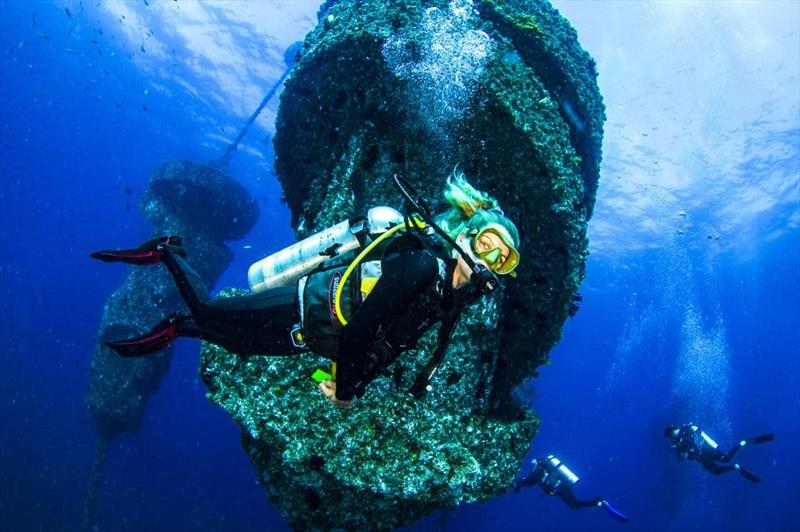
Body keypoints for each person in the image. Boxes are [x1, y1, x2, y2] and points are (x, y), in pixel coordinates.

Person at [91, 173, 520, 407]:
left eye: (501, 258)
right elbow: (362, 327)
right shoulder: (424, 264)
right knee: (208, 309)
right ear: (465, 235)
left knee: (237, 344)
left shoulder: (448, 300)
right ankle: (170, 251)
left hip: (311, 336)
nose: (488, 260)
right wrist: (348, 393)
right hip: (300, 306)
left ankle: (179, 327)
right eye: (486, 243)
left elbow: (387, 342)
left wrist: (350, 378)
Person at [515, 454, 628, 522]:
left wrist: (519, 484)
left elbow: (528, 481)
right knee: (574, 505)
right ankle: (599, 503)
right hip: (561, 486)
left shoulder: (538, 471)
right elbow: (529, 481)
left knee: (574, 505)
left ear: (536, 463)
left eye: (533, 465)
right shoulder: (542, 470)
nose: (532, 467)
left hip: (560, 486)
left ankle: (599, 502)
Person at [664, 423, 774, 483]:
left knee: (726, 459)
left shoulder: (685, 430)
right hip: (702, 459)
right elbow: (686, 457)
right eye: (670, 437)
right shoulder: (678, 444)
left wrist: (683, 448)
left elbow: (695, 436)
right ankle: (736, 467)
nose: (671, 438)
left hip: (707, 450)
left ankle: (742, 443)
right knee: (717, 472)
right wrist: (682, 452)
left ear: (672, 432)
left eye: (670, 435)